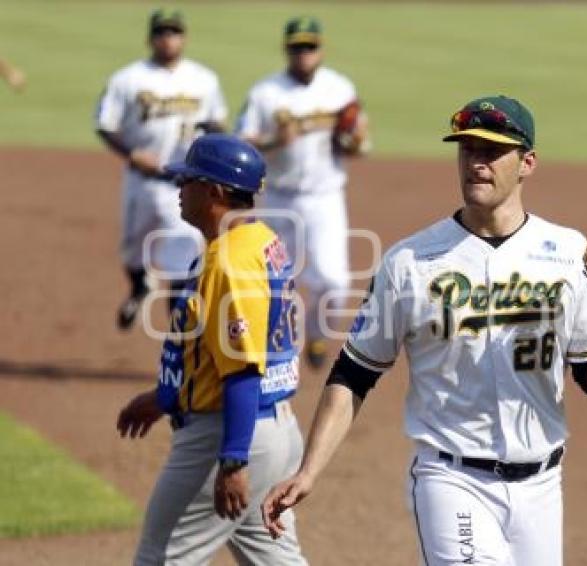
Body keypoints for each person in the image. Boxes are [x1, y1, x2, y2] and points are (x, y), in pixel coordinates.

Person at [260, 96, 587, 565]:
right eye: (467, 149)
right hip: (452, 482)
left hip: (542, 488)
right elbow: (354, 372)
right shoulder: (410, 262)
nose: (477, 162)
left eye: (491, 152)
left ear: (527, 163)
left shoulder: (568, 253)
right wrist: (308, 471)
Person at [116, 134, 308, 565]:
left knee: (161, 558)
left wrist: (233, 460)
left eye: (188, 182)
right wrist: (164, 398)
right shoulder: (261, 241)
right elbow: (208, 347)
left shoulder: (230, 261)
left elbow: (242, 368)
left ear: (215, 192)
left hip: (231, 434)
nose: (179, 190)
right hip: (275, 429)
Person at [235, 15, 369, 369]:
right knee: (273, 280)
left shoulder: (340, 89)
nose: (303, 54)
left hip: (325, 198)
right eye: (297, 47)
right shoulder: (265, 93)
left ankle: (317, 335)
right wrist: (274, 140)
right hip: (278, 198)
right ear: (286, 50)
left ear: (320, 50)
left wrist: (354, 140)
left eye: (309, 47)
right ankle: (270, 349)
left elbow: (357, 141)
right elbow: (243, 142)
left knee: (335, 282)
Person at [95, 9, 228, 330]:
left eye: (174, 32)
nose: (168, 39)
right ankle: (140, 284)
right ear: (151, 38)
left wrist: (212, 134)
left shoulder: (204, 80)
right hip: (141, 181)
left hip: (183, 184)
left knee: (181, 262)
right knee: (131, 249)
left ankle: (177, 337)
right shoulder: (127, 79)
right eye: (162, 33)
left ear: (184, 37)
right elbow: (105, 124)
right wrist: (131, 153)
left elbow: (218, 122)